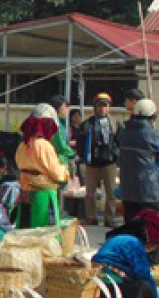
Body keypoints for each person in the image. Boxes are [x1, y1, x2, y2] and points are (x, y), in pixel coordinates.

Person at [93, 209, 159, 298]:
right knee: (144, 287)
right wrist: (155, 295)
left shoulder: (120, 238)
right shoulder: (134, 244)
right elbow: (143, 275)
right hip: (109, 287)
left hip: (98, 282)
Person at [15, 114, 70, 228]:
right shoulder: (44, 145)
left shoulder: (22, 145)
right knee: (42, 228)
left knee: (25, 224)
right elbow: (55, 171)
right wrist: (65, 171)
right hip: (42, 191)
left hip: (25, 189)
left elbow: (18, 163)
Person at [77, 92, 120, 227]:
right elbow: (80, 142)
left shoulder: (115, 124)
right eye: (99, 106)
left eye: (104, 106)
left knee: (111, 192)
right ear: (95, 107)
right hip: (92, 163)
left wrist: (115, 154)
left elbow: (120, 141)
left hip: (109, 163)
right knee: (90, 193)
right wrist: (83, 156)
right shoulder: (87, 124)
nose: (102, 108)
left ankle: (110, 218)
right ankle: (91, 217)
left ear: (109, 107)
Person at [117, 98, 159, 223]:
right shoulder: (154, 136)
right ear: (152, 116)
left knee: (131, 227)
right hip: (149, 192)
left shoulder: (124, 134)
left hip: (127, 191)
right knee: (150, 230)